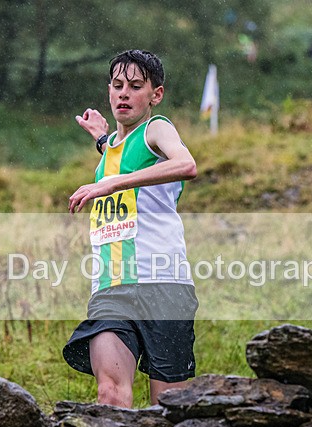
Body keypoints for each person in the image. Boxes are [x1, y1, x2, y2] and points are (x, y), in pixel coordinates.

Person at [63, 49, 198, 408]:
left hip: (163, 285)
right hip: (111, 286)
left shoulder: (158, 128)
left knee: (168, 409)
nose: (124, 94)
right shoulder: (111, 150)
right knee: (109, 393)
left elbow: (186, 164)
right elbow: (118, 151)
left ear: (156, 95)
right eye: (118, 85)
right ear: (109, 91)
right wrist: (100, 139)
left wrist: (113, 184)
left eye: (136, 86)